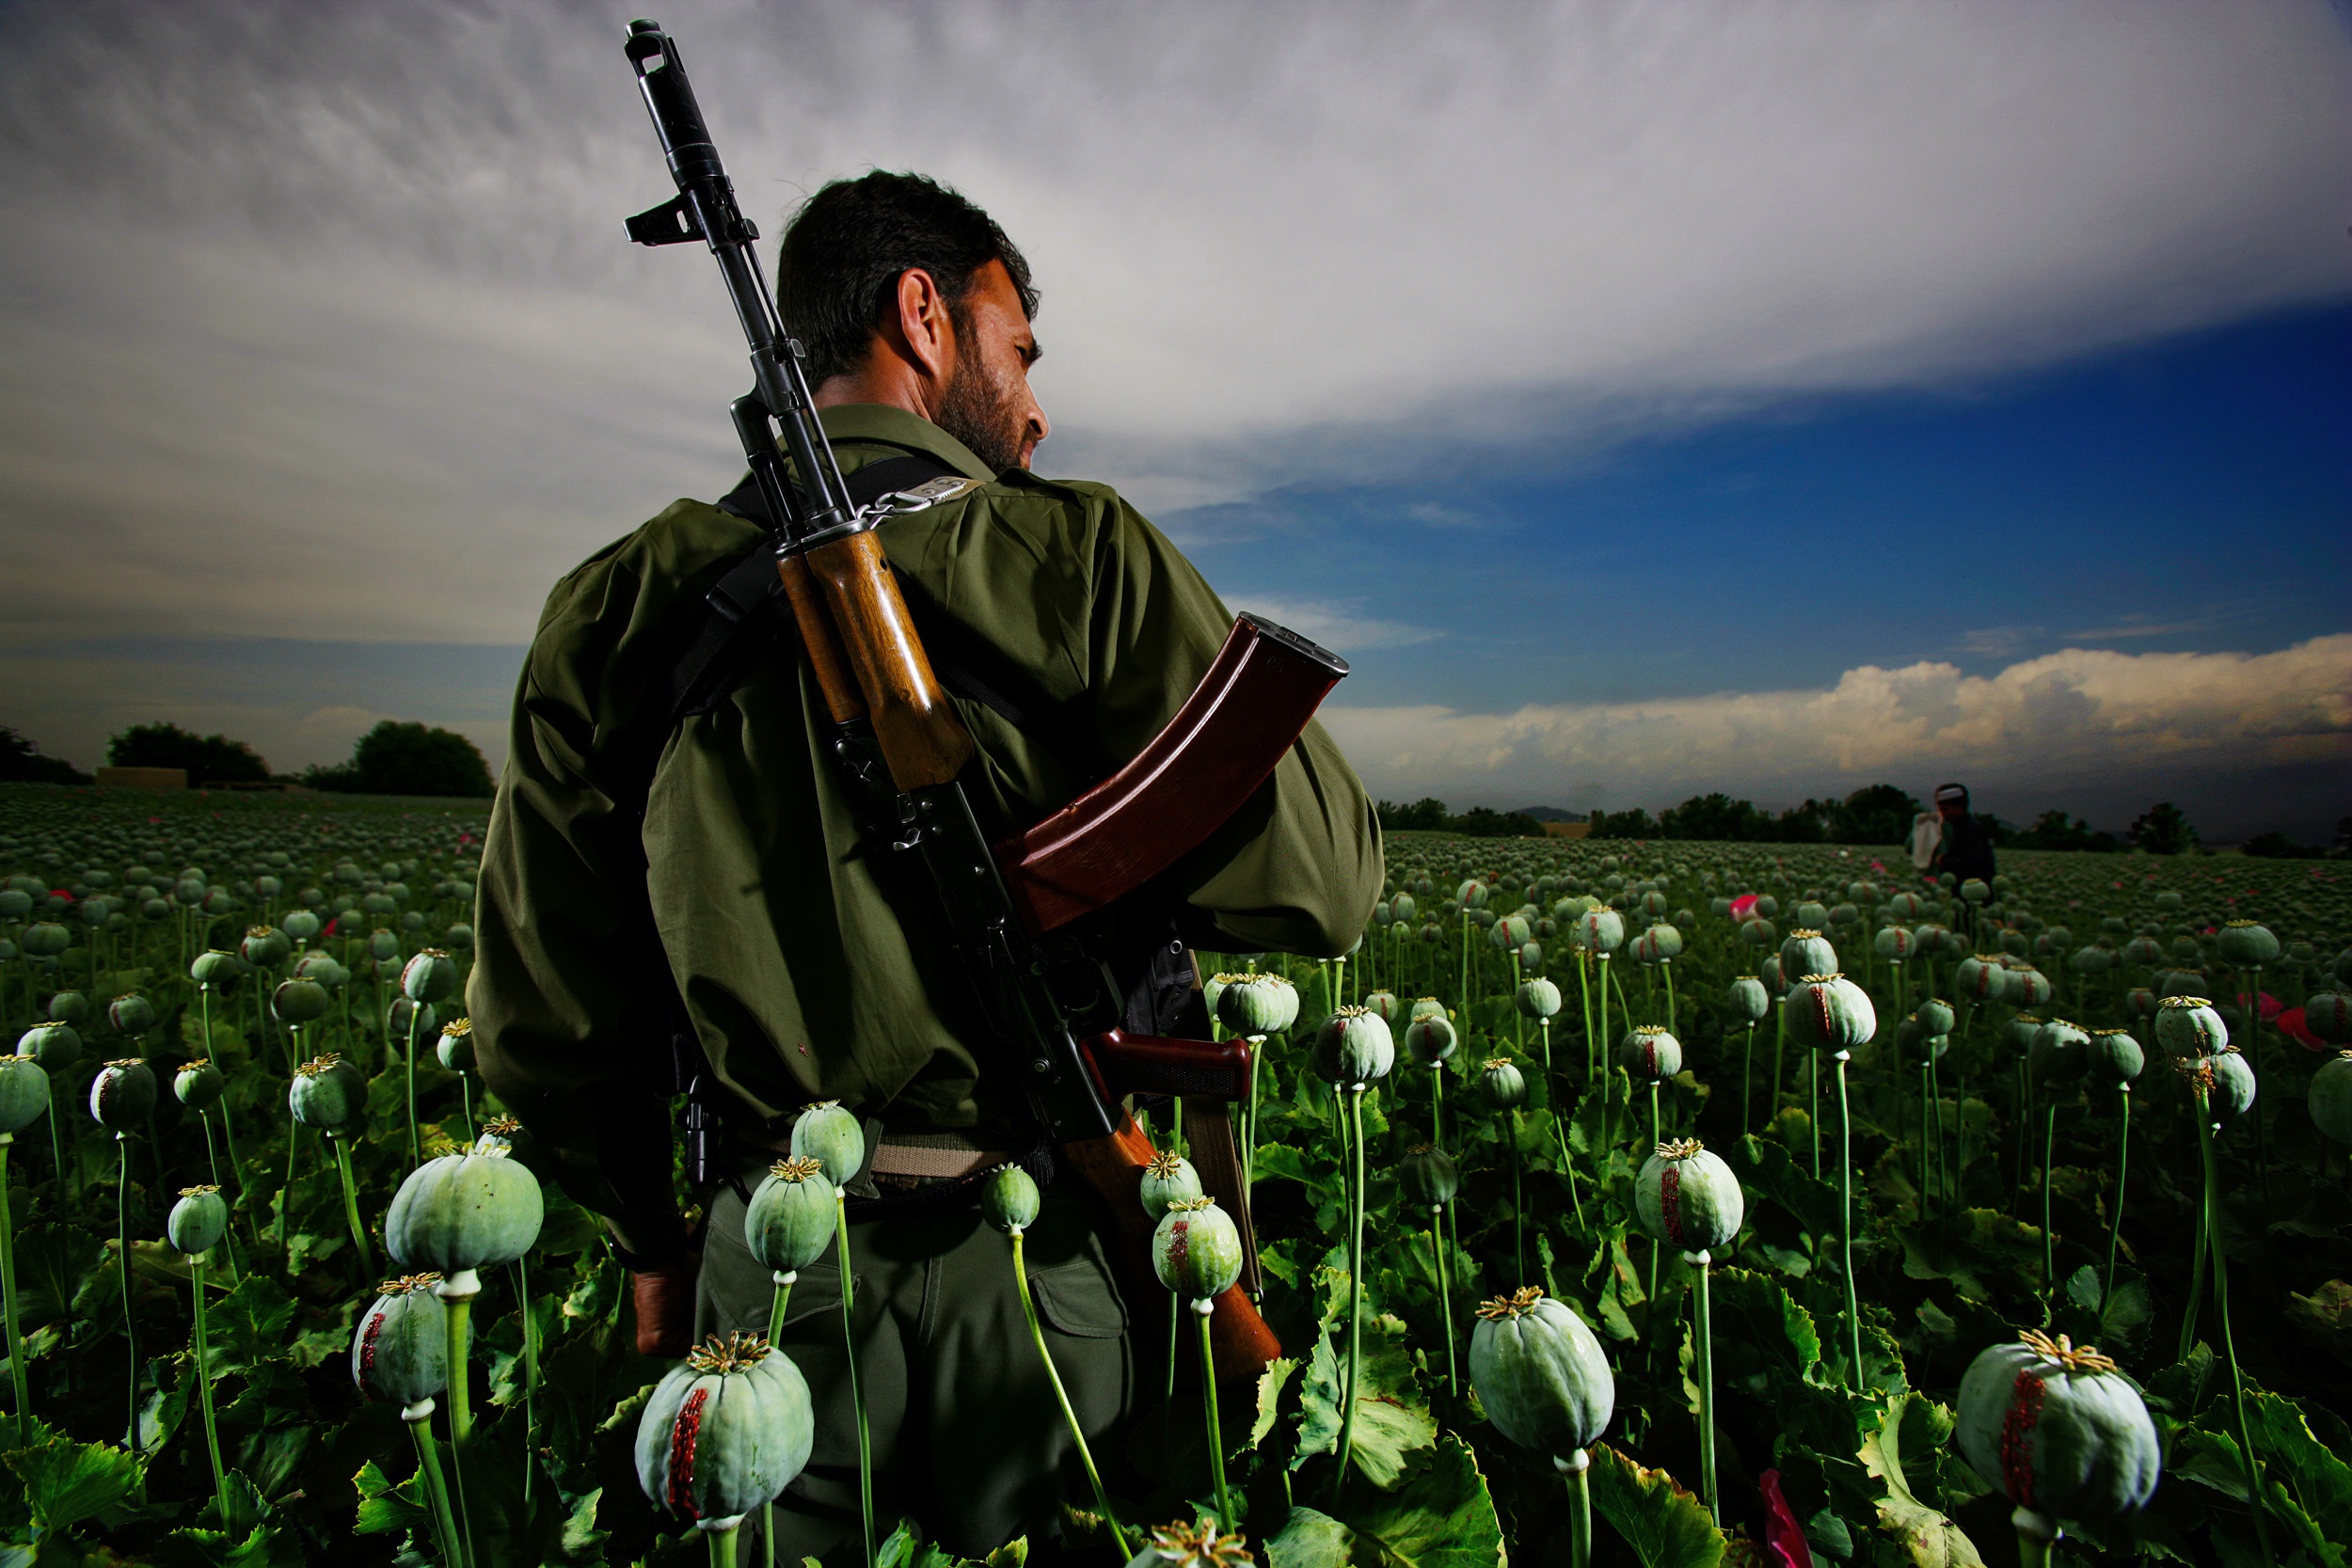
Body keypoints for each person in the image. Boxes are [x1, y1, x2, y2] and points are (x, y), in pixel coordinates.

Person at [469, 171, 1381, 1560]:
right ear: (926, 316)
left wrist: (651, 1238)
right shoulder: (1078, 555)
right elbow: (1326, 880)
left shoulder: (619, 603)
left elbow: (546, 1018)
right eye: (1018, 349)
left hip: (760, 1288)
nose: (1035, 406)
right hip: (1046, 1267)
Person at [1928, 782, 1995, 886]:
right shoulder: (1959, 827)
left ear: (1961, 806)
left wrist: (1944, 861)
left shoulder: (1972, 829)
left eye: (1945, 809)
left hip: (1975, 891)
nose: (1943, 814)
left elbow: (1971, 862)